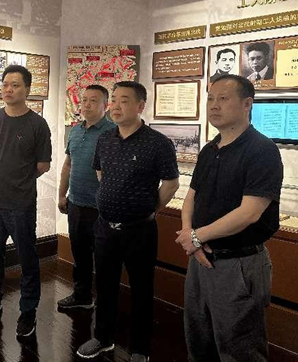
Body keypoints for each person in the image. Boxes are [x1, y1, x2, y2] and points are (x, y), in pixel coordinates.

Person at [175, 74, 283, 362]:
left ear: (247, 104)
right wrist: (190, 237)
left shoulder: (261, 150)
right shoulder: (210, 149)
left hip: (239, 264)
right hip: (200, 258)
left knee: (239, 347)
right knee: (198, 338)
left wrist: (196, 237)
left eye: (223, 98)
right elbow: (191, 198)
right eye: (211, 98)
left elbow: (249, 213)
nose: (214, 105)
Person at [77, 81, 179, 362]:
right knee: (105, 285)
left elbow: (171, 183)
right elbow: (101, 173)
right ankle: (103, 338)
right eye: (114, 100)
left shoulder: (158, 143)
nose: (116, 106)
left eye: (124, 100)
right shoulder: (105, 139)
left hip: (140, 230)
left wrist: (148, 209)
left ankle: (140, 349)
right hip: (105, 226)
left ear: (140, 106)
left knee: (141, 290)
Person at [0, 65, 52, 338]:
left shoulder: (37, 124)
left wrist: (19, 179)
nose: (8, 89)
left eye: (15, 85)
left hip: (21, 204)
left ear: (27, 89)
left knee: (27, 259)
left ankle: (28, 311)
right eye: (5, 84)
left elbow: (43, 165)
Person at [57, 85, 115, 310]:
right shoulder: (75, 131)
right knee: (79, 254)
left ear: (105, 106)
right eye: (84, 100)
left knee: (104, 259)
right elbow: (68, 165)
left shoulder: (112, 132)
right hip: (76, 203)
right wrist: (62, 194)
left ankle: (105, 304)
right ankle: (82, 296)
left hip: (101, 208)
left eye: (93, 100)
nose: (87, 105)